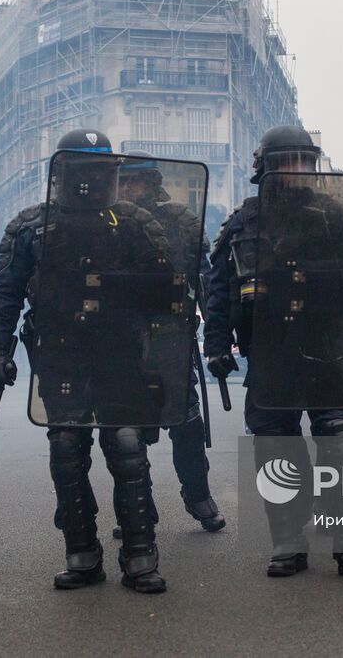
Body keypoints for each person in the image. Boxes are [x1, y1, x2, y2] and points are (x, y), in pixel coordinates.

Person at [0, 129, 175, 593]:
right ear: (65, 175)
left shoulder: (134, 224)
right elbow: (7, 294)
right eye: (84, 171)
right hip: (60, 353)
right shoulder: (32, 227)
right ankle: (83, 554)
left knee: (126, 448)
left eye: (100, 171)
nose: (92, 181)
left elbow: (168, 292)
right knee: (68, 450)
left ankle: (140, 557)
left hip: (120, 351)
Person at [204, 124, 343, 578]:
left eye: (304, 161)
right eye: (287, 162)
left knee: (339, 441)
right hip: (270, 349)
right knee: (274, 444)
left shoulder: (340, 216)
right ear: (265, 167)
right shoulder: (243, 222)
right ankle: (288, 541)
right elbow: (220, 290)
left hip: (328, 342)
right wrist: (215, 345)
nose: (297, 170)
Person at [114, 152, 225, 534]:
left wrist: (218, 339)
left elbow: (208, 283)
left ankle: (198, 495)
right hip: (120, 342)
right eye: (122, 182)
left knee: (186, 420)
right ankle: (138, 507)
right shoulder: (104, 224)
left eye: (136, 181)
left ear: (151, 184)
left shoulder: (179, 223)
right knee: (126, 430)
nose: (128, 189)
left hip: (170, 335)